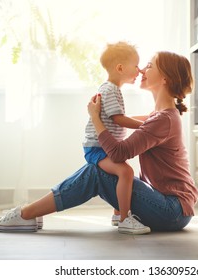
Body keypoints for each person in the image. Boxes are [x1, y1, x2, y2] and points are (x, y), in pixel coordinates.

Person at [0, 51, 198, 234]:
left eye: (150, 66)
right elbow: (134, 124)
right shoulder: (161, 115)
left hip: (172, 211)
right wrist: (107, 116)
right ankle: (31, 213)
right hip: (171, 207)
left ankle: (27, 214)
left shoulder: (164, 119)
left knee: (96, 171)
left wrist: (96, 118)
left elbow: (118, 153)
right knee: (101, 170)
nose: (143, 69)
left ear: (165, 79)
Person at [83, 41, 150, 234]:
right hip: (97, 148)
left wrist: (148, 118)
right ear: (120, 68)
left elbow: (120, 118)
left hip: (101, 147)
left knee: (121, 174)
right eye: (136, 66)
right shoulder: (110, 90)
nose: (139, 71)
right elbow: (119, 119)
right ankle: (124, 218)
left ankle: (117, 212)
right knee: (126, 173)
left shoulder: (112, 89)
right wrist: (147, 126)